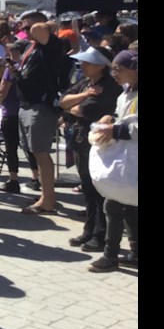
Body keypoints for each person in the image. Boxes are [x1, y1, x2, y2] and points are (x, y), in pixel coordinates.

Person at [58, 46, 121, 249]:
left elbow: (83, 110)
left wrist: (78, 104)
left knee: (99, 190)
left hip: (98, 143)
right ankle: (89, 230)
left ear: (101, 65)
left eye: (87, 63)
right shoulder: (86, 83)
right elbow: (64, 102)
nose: (82, 65)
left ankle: (100, 235)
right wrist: (84, 95)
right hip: (80, 141)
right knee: (87, 188)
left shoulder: (109, 86)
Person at [87, 50, 138, 272]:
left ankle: (111, 256)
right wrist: (111, 120)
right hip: (125, 160)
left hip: (132, 160)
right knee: (123, 205)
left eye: (119, 69)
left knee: (115, 203)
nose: (114, 73)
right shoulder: (125, 94)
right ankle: (133, 252)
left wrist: (115, 129)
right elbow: (124, 118)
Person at [14, 11, 66, 214]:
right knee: (35, 152)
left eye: (28, 27)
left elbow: (38, 28)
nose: (25, 32)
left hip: (41, 106)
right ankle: (46, 195)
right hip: (27, 103)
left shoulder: (51, 44)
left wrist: (46, 23)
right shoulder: (33, 47)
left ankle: (48, 200)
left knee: (41, 153)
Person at [0, 40, 39, 193]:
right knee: (28, 147)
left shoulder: (12, 69)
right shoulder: (30, 68)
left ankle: (13, 179)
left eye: (13, 52)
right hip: (25, 110)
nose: (11, 55)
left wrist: (0, 102)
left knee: (11, 147)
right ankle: (36, 178)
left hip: (11, 111)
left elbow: (3, 91)